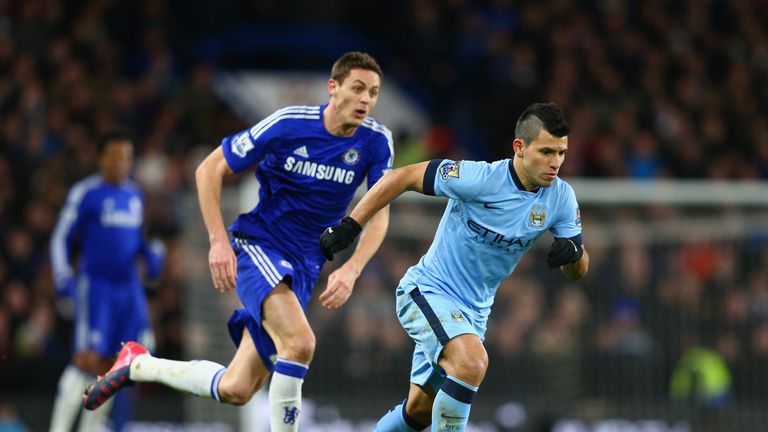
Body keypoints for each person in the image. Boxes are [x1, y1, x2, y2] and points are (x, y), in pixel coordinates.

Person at [83, 51, 394, 431]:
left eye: (373, 93)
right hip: (262, 247)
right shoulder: (288, 125)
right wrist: (218, 242)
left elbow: (380, 210)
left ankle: (138, 364)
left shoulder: (377, 142)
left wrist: (354, 268)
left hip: (306, 267)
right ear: (333, 88)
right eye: (358, 88)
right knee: (299, 344)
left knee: (236, 388)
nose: (366, 100)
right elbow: (209, 168)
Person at [321, 102, 590, 431]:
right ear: (519, 148)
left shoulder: (560, 198)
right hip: (427, 291)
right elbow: (402, 177)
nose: (556, 163)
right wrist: (350, 226)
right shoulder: (480, 178)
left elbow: (578, 270)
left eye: (561, 153)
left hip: (474, 313)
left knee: (419, 412)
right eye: (547, 151)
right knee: (471, 362)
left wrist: (574, 253)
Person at [49, 132, 164, 432]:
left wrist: (149, 255)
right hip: (96, 287)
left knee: (117, 366)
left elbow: (136, 239)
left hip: (128, 290)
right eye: (114, 156)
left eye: (126, 157)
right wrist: (63, 275)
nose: (120, 163)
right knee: (86, 359)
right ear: (100, 158)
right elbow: (61, 236)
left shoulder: (135, 195)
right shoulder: (86, 192)